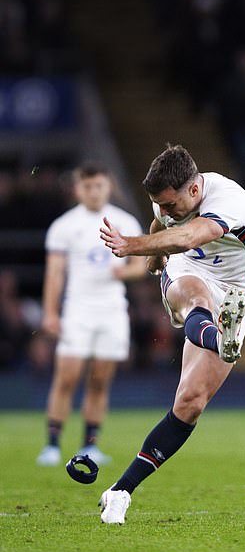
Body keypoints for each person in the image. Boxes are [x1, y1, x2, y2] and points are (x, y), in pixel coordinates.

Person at [98, 144, 245, 524]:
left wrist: (133, 246)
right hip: (188, 271)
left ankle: (120, 490)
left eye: (171, 204)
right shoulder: (170, 200)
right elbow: (166, 227)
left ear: (194, 191)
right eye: (160, 204)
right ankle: (222, 339)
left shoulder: (232, 201)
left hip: (237, 289)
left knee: (190, 402)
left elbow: (189, 235)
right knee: (196, 300)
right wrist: (156, 258)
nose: (165, 209)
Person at [37, 163, 146, 467]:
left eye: (99, 186)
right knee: (67, 376)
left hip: (112, 310)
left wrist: (123, 271)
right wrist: (50, 312)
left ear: (108, 186)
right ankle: (53, 444)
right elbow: (55, 273)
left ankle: (90, 444)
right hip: (78, 309)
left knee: (100, 380)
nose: (94, 191)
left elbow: (140, 266)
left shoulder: (124, 221)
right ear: (78, 189)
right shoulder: (64, 226)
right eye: (88, 187)